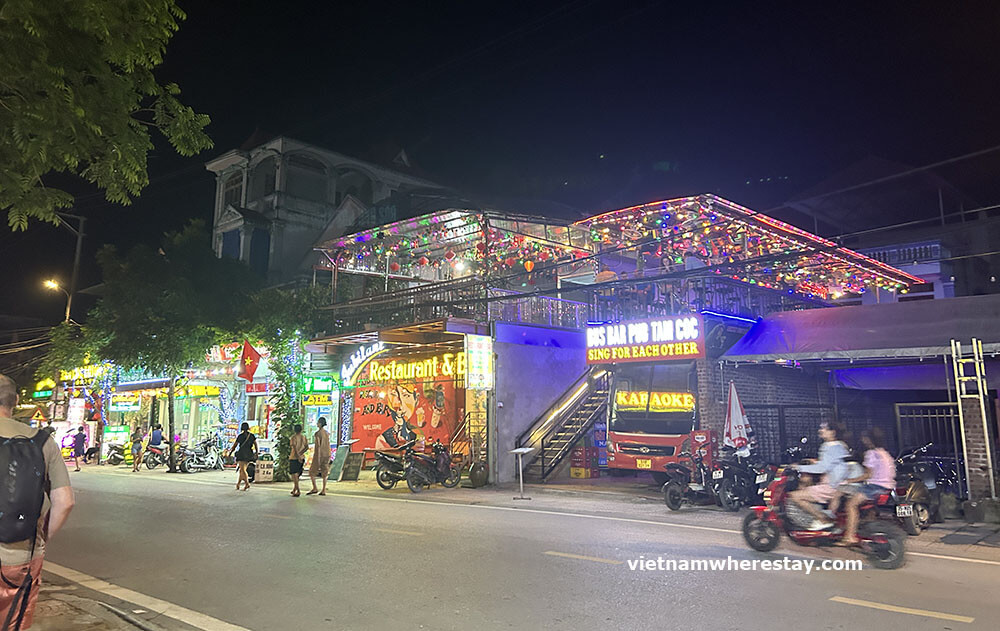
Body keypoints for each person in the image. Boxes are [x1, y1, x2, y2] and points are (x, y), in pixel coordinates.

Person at [0, 374, 74, 629]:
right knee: (14, 623)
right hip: (22, 554)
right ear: (16, 401)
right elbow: (65, 502)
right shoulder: (43, 442)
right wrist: (41, 538)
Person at [836, 428, 897, 546]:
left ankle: (849, 536)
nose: (862, 440)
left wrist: (849, 480)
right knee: (867, 506)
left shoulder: (871, 453)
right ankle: (868, 528)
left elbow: (868, 475)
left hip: (874, 487)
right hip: (888, 487)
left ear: (869, 439)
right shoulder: (885, 453)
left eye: (864, 438)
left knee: (850, 505)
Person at [789, 421, 850, 530]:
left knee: (794, 496)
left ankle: (822, 518)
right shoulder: (840, 445)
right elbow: (830, 463)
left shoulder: (829, 446)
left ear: (832, 432)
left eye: (824, 428)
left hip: (831, 486)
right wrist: (813, 462)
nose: (820, 430)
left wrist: (798, 467)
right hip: (838, 484)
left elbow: (822, 468)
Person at [228, 422, 257, 491]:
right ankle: (238, 484)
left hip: (242, 453)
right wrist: (256, 453)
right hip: (249, 453)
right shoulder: (252, 436)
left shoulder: (240, 436)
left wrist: (230, 452)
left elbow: (235, 445)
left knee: (243, 470)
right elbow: (256, 444)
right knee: (242, 470)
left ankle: (247, 484)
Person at [308, 417, 331, 496]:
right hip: (327, 454)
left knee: (312, 472)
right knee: (325, 472)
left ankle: (315, 487)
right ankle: (324, 489)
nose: (317, 424)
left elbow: (318, 446)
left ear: (320, 424)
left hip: (320, 455)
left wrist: (317, 457)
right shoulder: (327, 433)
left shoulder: (318, 434)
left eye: (318, 422)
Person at [289, 424, 308, 497]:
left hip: (294, 457)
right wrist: (301, 454)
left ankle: (298, 490)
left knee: (294, 474)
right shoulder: (304, 437)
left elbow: (294, 448)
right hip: (302, 457)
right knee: (297, 474)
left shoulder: (293, 438)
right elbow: (306, 447)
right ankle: (294, 489)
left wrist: (298, 456)